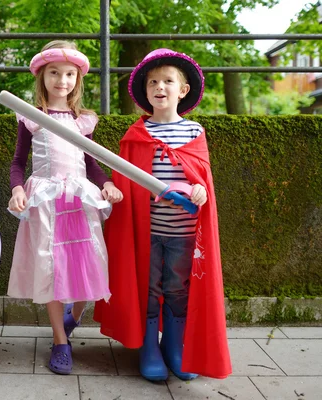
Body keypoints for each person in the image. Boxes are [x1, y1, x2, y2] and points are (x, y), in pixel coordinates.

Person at [93, 48, 232, 381]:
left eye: (168, 80)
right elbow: (127, 182)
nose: (159, 87)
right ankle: (149, 347)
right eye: (153, 81)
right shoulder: (136, 136)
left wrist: (199, 193)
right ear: (145, 92)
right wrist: (117, 186)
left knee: (178, 289)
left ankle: (175, 346)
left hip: (184, 234)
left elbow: (201, 180)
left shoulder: (195, 132)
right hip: (148, 232)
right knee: (149, 288)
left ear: (182, 90)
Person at [7, 40, 123, 375]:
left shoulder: (84, 121)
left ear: (77, 78)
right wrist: (17, 188)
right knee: (52, 269)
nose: (62, 80)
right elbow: (18, 162)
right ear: (42, 77)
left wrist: (108, 183)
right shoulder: (31, 117)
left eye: (69, 74)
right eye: (55, 73)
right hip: (45, 201)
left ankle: (74, 316)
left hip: (80, 199)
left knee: (89, 266)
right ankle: (60, 340)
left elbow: (92, 163)